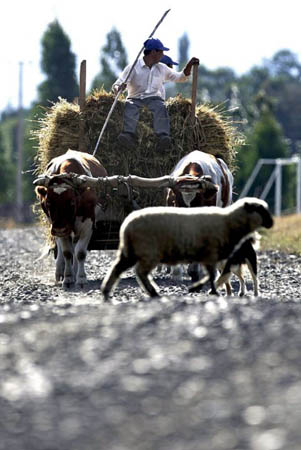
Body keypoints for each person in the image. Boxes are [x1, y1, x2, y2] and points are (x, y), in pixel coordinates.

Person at [112, 38, 199, 151]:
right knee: (130, 106)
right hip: (135, 98)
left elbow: (180, 77)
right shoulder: (133, 67)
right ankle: (128, 135)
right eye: (161, 51)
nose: (163, 54)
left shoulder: (162, 68)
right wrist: (119, 88)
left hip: (153, 99)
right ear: (153, 52)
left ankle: (163, 136)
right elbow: (118, 84)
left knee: (160, 107)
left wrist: (189, 65)